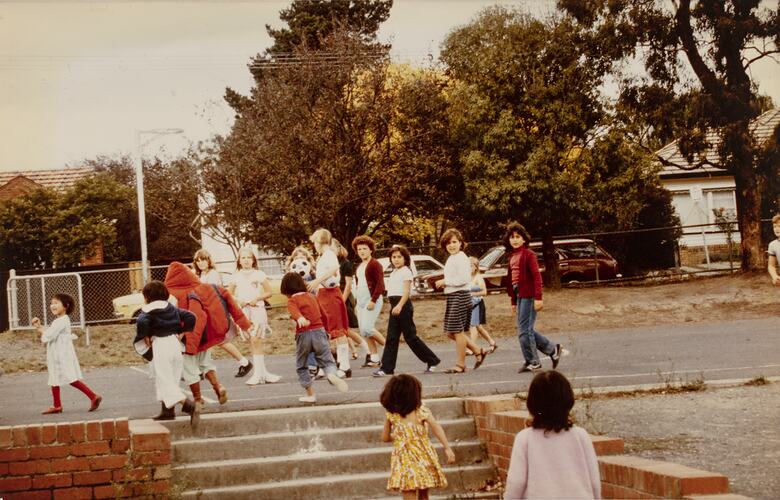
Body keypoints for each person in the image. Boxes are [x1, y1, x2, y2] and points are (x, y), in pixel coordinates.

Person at [165, 262, 252, 405]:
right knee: (206, 363)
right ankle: (218, 386)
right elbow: (232, 304)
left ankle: (198, 399)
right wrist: (244, 324)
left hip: (186, 338)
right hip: (206, 335)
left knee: (189, 369)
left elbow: (168, 317)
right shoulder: (209, 288)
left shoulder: (172, 295)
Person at [505, 370, 601, 499]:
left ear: (532, 403)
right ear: (568, 400)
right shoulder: (580, 435)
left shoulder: (524, 438)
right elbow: (594, 480)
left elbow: (516, 482)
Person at [133, 281, 199, 427]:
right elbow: (190, 316)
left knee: (164, 379)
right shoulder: (171, 308)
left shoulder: (147, 311)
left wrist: (144, 335)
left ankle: (188, 405)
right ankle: (167, 411)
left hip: (161, 344)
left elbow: (142, 322)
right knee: (172, 378)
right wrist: (182, 332)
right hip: (175, 345)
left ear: (147, 296)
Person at [380, 374, 455, 499]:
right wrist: (447, 448)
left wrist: (401, 435)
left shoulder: (391, 414)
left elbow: (385, 438)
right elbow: (436, 427)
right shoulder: (421, 411)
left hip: (403, 459)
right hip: (423, 456)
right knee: (424, 493)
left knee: (408, 490)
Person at [280, 271, 349, 403]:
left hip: (304, 334)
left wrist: (300, 317)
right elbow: (324, 314)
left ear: (286, 289)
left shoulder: (292, 300)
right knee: (327, 361)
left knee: (302, 365)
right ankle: (331, 375)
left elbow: (294, 311)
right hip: (320, 331)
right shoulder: (312, 297)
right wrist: (328, 331)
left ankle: (310, 394)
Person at [373, 245, 440, 377]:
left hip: (403, 306)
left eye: (399, 257)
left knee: (411, 337)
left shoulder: (406, 272)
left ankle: (432, 361)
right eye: (393, 257)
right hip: (394, 306)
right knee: (391, 338)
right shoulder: (393, 273)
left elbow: (405, 293)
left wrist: (399, 306)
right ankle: (387, 368)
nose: (396, 260)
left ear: (405, 258)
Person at [504, 222, 562, 373]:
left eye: (518, 237)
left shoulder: (528, 254)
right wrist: (513, 301)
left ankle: (533, 362)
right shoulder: (512, 256)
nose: (515, 240)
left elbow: (537, 276)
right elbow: (512, 280)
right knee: (526, 330)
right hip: (519, 294)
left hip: (529, 294)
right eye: (512, 237)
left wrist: (538, 297)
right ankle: (552, 349)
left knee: (524, 331)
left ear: (524, 239)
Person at [32, 293, 102, 415]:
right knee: (55, 377)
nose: (52, 305)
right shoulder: (60, 321)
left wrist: (41, 330)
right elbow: (50, 332)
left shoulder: (61, 321)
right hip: (59, 352)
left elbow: (49, 335)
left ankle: (93, 396)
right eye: (52, 303)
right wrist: (39, 327)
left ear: (66, 306)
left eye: (56, 303)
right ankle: (57, 405)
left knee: (69, 377)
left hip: (60, 354)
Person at [434, 229, 489, 374]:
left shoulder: (461, 257)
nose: (451, 245)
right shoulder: (452, 258)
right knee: (451, 332)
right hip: (453, 296)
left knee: (457, 332)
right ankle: (478, 350)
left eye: (454, 242)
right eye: (448, 243)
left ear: (460, 243)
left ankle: (460, 364)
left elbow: (464, 279)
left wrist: (445, 281)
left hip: (461, 295)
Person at [192, 248, 253, 378]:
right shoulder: (199, 275)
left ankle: (244, 362)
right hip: (204, 311)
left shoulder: (213, 274)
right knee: (203, 341)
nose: (201, 263)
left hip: (214, 311)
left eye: (203, 260)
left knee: (220, 340)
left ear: (209, 261)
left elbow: (210, 294)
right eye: (198, 261)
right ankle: (200, 370)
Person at [228, 246, 281, 385]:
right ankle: (262, 373)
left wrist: (257, 299)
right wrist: (238, 300)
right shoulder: (235, 277)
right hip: (244, 312)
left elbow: (269, 292)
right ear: (239, 260)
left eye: (248, 258)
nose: (246, 260)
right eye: (243, 258)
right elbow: (229, 294)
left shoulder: (259, 274)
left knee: (256, 339)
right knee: (252, 341)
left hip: (257, 310)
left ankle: (259, 374)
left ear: (253, 260)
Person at [307, 229, 354, 378]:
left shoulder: (329, 254)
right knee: (326, 331)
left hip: (330, 294)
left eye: (315, 241)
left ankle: (345, 366)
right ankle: (327, 366)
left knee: (337, 329)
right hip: (323, 294)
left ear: (320, 241)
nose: (314, 245)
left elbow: (334, 269)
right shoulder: (323, 256)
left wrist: (317, 280)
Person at [351, 235, 387, 368]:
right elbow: (359, 285)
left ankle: (389, 349)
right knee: (364, 331)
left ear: (371, 250)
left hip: (372, 300)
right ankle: (374, 358)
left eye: (364, 248)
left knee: (368, 328)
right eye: (359, 249)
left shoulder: (375, 264)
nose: (362, 251)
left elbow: (380, 285)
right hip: (360, 302)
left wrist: (373, 300)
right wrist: (356, 304)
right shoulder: (360, 266)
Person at [335, 239, 368, 360]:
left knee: (344, 328)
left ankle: (366, 349)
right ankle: (346, 353)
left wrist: (342, 300)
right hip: (336, 296)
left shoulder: (346, 264)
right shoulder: (333, 263)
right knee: (340, 329)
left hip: (343, 296)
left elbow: (348, 284)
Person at [468, 256, 498, 355]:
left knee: (474, 326)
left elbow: (484, 292)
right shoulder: (467, 278)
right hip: (470, 304)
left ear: (476, 267)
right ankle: (492, 342)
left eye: (470, 266)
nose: (468, 268)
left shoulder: (478, 278)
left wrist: (471, 294)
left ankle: (472, 347)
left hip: (477, 304)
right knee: (478, 327)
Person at [768, 214, 780, 286]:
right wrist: (774, 276)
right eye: (774, 226)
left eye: (779, 226)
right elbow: (771, 265)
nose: (776, 229)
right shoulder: (772, 245)